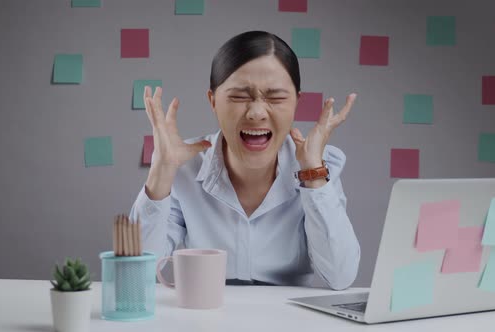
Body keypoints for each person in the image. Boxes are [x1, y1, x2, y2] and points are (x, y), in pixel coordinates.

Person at [129, 30, 360, 290]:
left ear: (297, 101)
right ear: (213, 100)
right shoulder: (185, 167)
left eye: (276, 98)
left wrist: (313, 174)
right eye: (239, 96)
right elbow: (137, 276)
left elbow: (340, 277)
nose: (256, 113)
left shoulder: (317, 167)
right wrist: (161, 171)